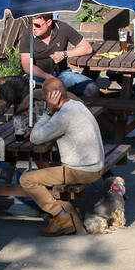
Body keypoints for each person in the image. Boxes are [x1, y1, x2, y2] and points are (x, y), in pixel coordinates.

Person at [18, 78, 105, 237]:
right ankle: (65, 213)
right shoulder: (76, 105)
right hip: (96, 165)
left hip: (81, 171)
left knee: (27, 180)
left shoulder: (62, 116)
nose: (44, 100)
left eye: (45, 97)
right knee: (49, 167)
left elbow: (35, 138)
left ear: (51, 97)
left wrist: (48, 112)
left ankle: (61, 217)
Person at [17, 13, 101, 99]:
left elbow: (87, 48)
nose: (33, 28)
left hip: (62, 73)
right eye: (31, 24)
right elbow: (27, 65)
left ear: (49, 22)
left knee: (92, 89)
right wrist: (50, 78)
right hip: (38, 77)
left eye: (37, 25)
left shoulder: (62, 28)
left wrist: (65, 54)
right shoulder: (28, 35)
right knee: (28, 93)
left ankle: (82, 110)